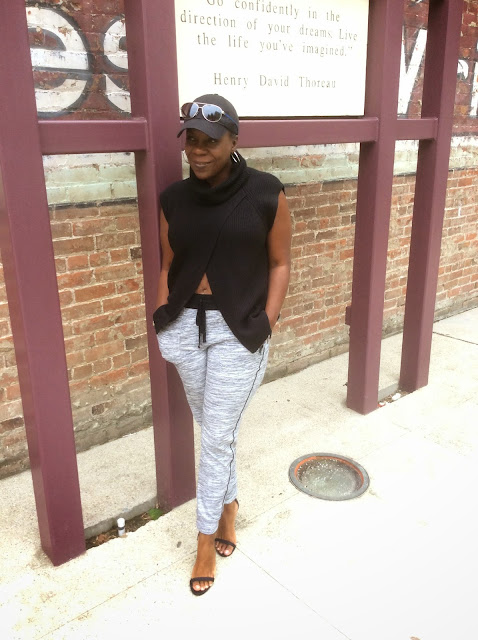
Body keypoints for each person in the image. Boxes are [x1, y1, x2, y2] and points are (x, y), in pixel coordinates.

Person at [153, 94, 292, 595]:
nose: (198, 150)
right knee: (216, 432)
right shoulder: (173, 199)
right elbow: (169, 264)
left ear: (234, 139)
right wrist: (163, 319)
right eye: (191, 140)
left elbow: (280, 263)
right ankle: (229, 505)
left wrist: (267, 321)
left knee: (214, 438)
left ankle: (204, 540)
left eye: (209, 141)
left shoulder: (266, 193)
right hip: (185, 329)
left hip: (239, 331)